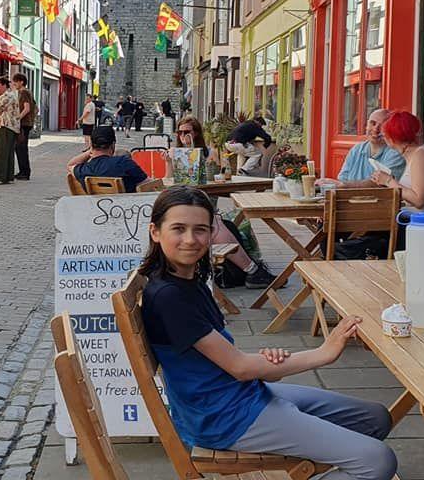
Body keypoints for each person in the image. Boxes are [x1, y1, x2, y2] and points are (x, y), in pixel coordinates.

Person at [140, 186, 396, 479]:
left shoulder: (189, 280)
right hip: (224, 417)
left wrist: (266, 365)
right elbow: (239, 368)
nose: (190, 239)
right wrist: (323, 353)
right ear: (155, 232)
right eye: (178, 229)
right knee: (378, 461)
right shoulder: (169, 297)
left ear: (212, 234)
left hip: (240, 395)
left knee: (375, 418)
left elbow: (228, 362)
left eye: (200, 230)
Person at [174, 117, 276, 290]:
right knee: (215, 224)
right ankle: (252, 271)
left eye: (187, 132)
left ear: (196, 133)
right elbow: (169, 181)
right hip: (183, 208)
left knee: (226, 223)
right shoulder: (174, 153)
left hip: (202, 205)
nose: (183, 136)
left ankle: (249, 270)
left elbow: (216, 174)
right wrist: (171, 160)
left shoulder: (208, 153)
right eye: (180, 132)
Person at [371, 111, 424, 220]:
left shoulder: (420, 156)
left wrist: (388, 181)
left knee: (367, 221)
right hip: (421, 221)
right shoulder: (416, 154)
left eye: (384, 134)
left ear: (391, 138)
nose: (383, 137)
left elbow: (419, 201)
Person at [327, 109, 406, 187]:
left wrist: (344, 185)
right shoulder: (356, 149)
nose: (375, 129)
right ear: (366, 125)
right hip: (350, 199)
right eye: (373, 123)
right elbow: (342, 179)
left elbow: (380, 184)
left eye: (382, 126)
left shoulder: (395, 153)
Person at [68, 125, 147, 193]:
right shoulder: (123, 163)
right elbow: (148, 184)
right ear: (113, 144)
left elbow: (70, 164)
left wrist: (90, 151)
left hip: (95, 208)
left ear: (91, 144)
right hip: (124, 208)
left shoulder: (84, 170)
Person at [12, 73, 35, 181]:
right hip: (27, 123)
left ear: (21, 82)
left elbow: (27, 108)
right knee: (21, 148)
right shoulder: (28, 92)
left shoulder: (24, 92)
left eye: (15, 81)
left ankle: (24, 173)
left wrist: (18, 118)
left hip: (24, 124)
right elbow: (36, 108)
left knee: (20, 148)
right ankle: (24, 171)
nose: (14, 84)